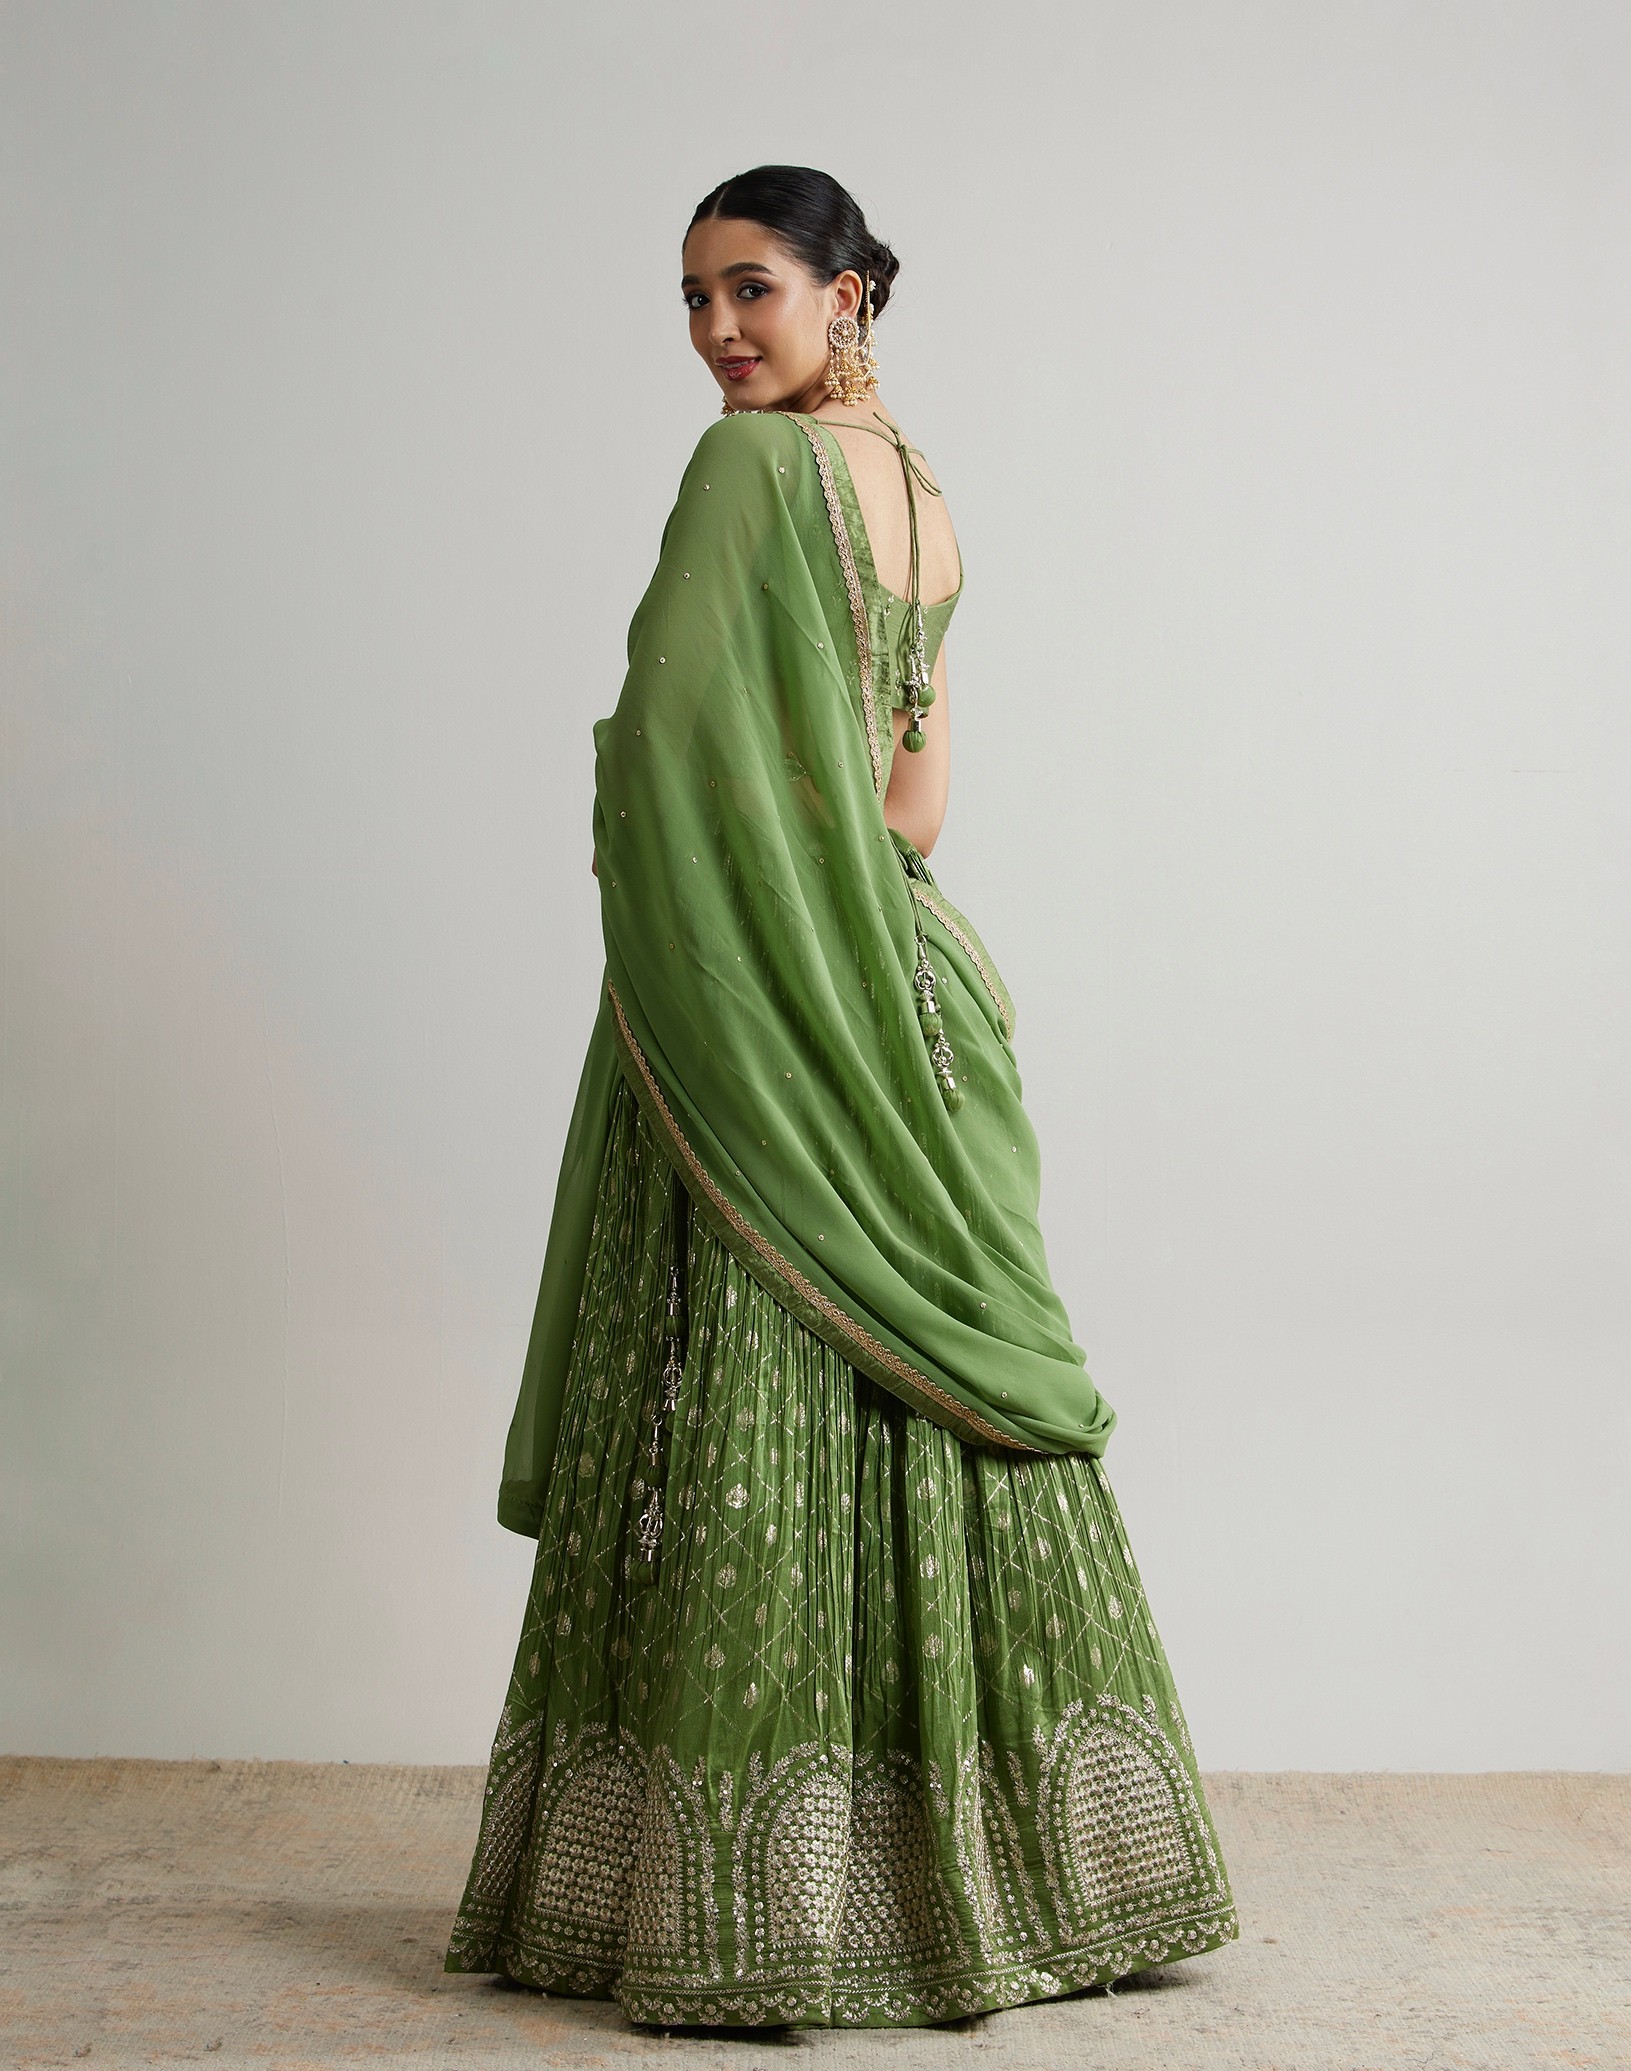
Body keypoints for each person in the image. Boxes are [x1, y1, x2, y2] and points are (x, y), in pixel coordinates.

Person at [443, 164, 1238, 2029]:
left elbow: (671, 759)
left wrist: (704, 906)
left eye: (754, 292)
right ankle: (1043, 1883)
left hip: (769, 1002)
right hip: (920, 994)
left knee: (752, 1395)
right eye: (696, 301)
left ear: (849, 292)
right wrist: (834, 929)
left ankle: (761, 1917)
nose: (721, 333)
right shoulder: (927, 501)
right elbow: (909, 817)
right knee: (936, 1405)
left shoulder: (749, 477)